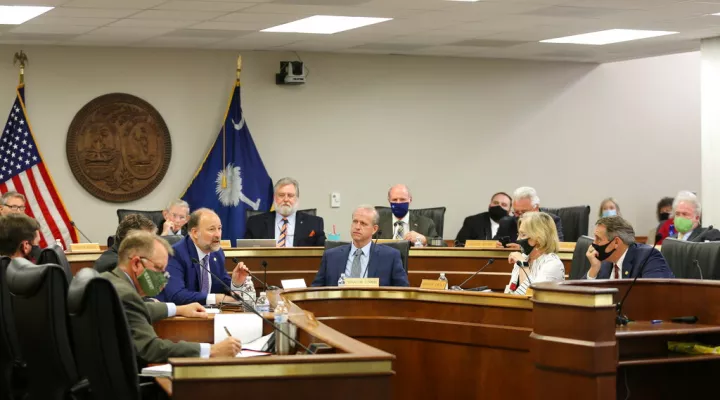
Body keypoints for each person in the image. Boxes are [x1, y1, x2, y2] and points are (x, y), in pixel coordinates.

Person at [101, 231, 242, 364]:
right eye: (158, 269)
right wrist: (211, 350)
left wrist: (178, 309)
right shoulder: (126, 295)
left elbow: (140, 309)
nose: (162, 278)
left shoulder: (108, 281)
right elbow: (151, 349)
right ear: (137, 263)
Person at [157, 208, 250, 305]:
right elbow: (176, 295)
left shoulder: (217, 253)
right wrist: (215, 298)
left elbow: (222, 285)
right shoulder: (175, 254)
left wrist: (235, 284)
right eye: (212, 229)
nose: (218, 234)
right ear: (195, 233)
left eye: (219, 228)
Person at [312, 205, 409, 287]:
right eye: (355, 222)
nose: (357, 227)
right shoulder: (331, 256)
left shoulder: (390, 257)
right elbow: (316, 289)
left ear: (374, 229)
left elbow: (403, 292)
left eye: (363, 223)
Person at [244, 177, 325, 247]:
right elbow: (247, 252)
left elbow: (322, 253)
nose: (286, 199)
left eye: (290, 195)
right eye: (281, 195)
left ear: (297, 199)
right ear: (274, 198)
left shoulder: (314, 223)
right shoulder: (255, 222)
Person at [586, 216, 673, 279]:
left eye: (599, 239)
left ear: (616, 242)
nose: (594, 243)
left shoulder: (649, 258)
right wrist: (594, 268)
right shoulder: (604, 262)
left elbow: (653, 295)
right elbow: (580, 294)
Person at [503, 212, 565, 295]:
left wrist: (523, 265)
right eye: (519, 234)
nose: (518, 239)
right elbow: (510, 292)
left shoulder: (552, 264)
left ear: (539, 238)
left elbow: (531, 296)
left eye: (523, 235)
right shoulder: (524, 258)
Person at [495, 187, 564, 245]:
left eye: (524, 212)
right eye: (516, 212)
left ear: (536, 207)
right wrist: (498, 245)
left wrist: (523, 249)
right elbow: (492, 243)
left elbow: (557, 246)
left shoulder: (550, 221)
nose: (520, 216)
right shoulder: (506, 223)